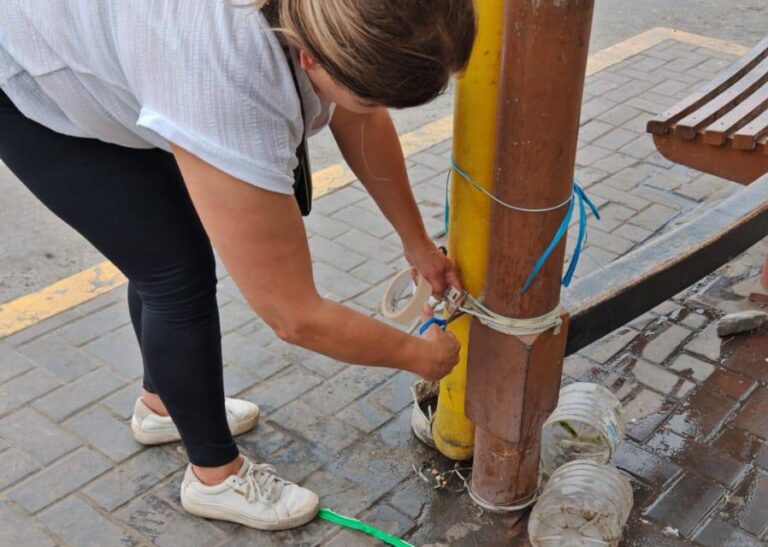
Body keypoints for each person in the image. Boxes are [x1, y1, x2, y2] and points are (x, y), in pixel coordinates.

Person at [0, 0, 476, 531]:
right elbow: (293, 314)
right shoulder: (226, 81)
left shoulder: (334, 19)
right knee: (172, 272)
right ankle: (215, 478)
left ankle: (164, 407)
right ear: (313, 60)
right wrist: (417, 354)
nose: (370, 107)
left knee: (167, 251)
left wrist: (417, 243)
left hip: (123, 41)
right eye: (367, 95)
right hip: (30, 70)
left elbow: (357, 113)